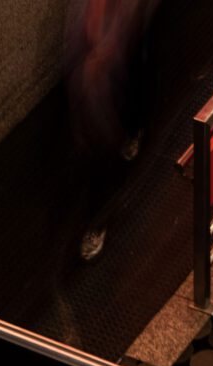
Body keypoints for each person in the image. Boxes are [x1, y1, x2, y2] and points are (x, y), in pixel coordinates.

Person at [64, 0, 162, 261]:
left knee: (104, 137)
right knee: (100, 134)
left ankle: (96, 220)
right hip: (104, 53)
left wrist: (103, 47)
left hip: (112, 51)